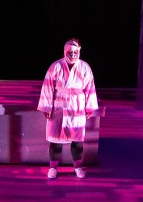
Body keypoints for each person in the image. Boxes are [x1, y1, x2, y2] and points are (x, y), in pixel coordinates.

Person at [37, 38, 99, 180]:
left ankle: (78, 168)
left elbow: (90, 88)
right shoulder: (56, 66)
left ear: (79, 52)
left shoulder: (85, 67)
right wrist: (47, 107)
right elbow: (47, 87)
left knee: (77, 141)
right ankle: (53, 168)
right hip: (58, 108)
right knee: (55, 140)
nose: (72, 54)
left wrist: (89, 106)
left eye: (75, 52)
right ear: (65, 51)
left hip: (77, 107)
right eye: (70, 52)